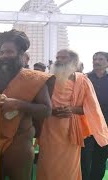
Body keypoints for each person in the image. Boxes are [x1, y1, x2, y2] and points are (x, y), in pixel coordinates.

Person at [0, 29, 54, 180]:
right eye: (2, 52)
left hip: (19, 144)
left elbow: (46, 110)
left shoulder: (34, 79)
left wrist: (18, 104)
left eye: (9, 52)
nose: (5, 56)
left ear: (21, 54)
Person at [37, 49, 108, 180]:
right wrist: (50, 110)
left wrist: (72, 109)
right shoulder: (46, 80)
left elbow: (92, 108)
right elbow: (38, 104)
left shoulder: (83, 80)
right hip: (49, 128)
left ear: (74, 62)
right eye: (58, 57)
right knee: (48, 164)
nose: (59, 60)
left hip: (73, 130)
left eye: (63, 58)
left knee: (74, 166)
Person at [81, 51, 108, 180]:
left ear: (107, 63)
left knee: (101, 158)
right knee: (84, 159)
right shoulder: (84, 79)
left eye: (101, 59)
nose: (96, 62)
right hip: (87, 126)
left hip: (105, 127)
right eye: (94, 59)